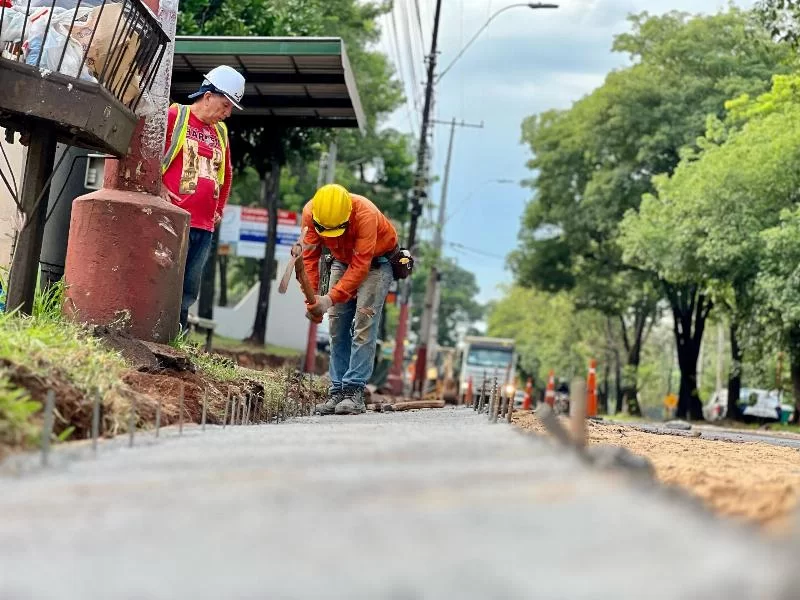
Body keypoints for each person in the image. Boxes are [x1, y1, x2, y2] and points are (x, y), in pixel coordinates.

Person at [161, 65, 245, 333]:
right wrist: (158, 187)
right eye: (225, 105)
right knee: (165, 278)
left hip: (204, 225)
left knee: (189, 286)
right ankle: (156, 330)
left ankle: (178, 335)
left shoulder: (219, 132)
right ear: (208, 96)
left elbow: (227, 173)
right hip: (174, 217)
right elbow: (150, 150)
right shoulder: (176, 115)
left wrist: (219, 208)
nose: (227, 113)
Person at [302, 184, 398, 415]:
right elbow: (309, 258)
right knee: (337, 325)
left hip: (376, 264)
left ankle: (354, 390)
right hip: (340, 261)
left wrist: (330, 298)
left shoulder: (365, 214)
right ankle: (337, 391)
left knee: (363, 324)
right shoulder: (310, 214)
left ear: (348, 216)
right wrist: (314, 299)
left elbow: (360, 267)